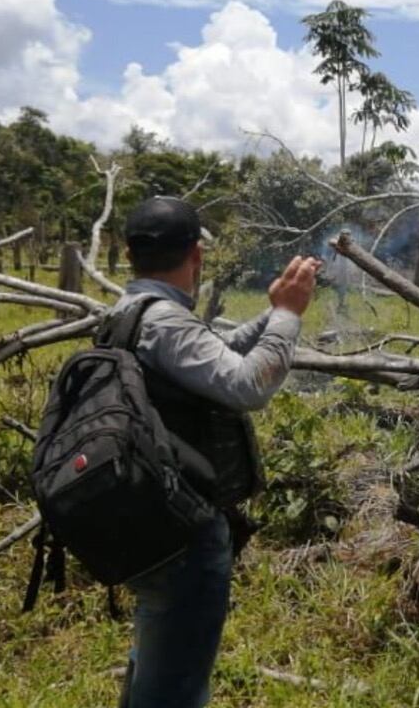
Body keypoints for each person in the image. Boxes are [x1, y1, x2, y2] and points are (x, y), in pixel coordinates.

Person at [112, 196, 320, 708]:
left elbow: (213, 352)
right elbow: (249, 385)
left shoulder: (130, 311)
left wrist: (273, 312)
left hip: (151, 519)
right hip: (184, 531)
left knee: (157, 662)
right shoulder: (166, 322)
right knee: (175, 686)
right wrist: (290, 316)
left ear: (129, 254)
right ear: (197, 256)